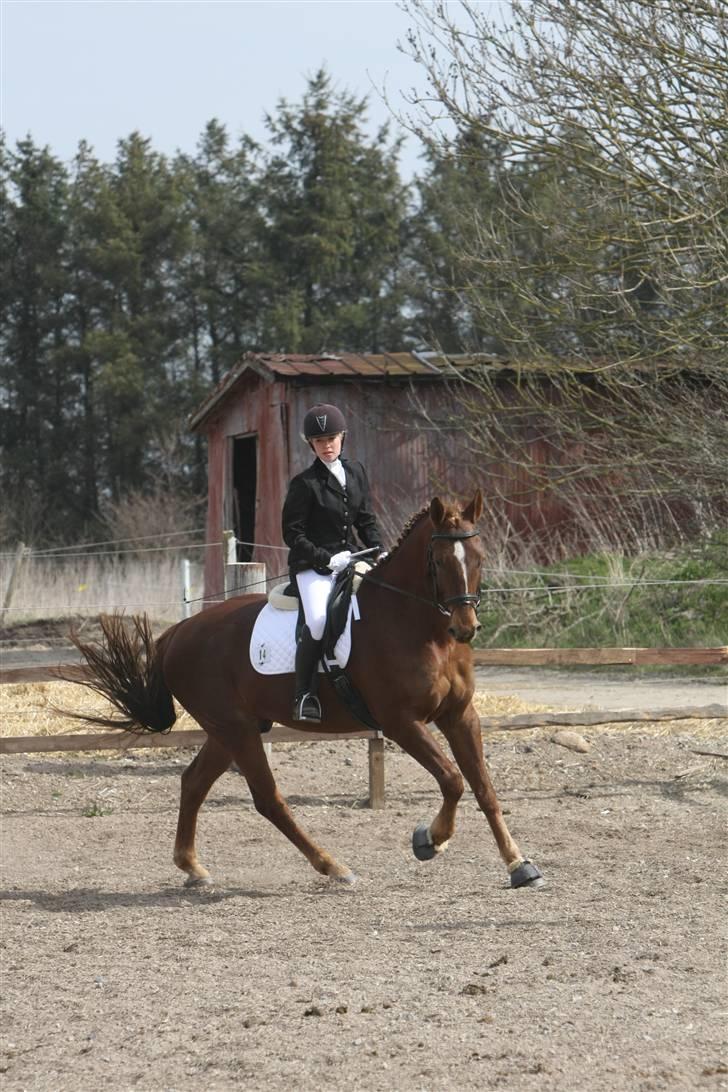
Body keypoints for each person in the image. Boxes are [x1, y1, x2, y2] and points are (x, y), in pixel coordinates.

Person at [282, 403, 385, 723]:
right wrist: (325, 559)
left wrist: (379, 551)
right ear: (310, 445)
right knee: (316, 621)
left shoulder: (356, 471)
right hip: (312, 566)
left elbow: (366, 519)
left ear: (342, 438)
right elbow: (292, 534)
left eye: (331, 439)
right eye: (319, 441)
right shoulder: (304, 483)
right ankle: (305, 694)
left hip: (352, 558)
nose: (326, 446)